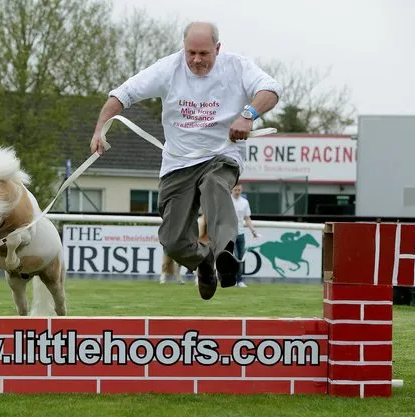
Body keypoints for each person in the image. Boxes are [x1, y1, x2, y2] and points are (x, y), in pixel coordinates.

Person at [90, 21, 281, 300]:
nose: (196, 60)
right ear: (184, 48)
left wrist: (248, 114)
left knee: (216, 184)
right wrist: (99, 130)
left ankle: (225, 251)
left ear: (218, 48)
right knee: (172, 240)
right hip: (178, 162)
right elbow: (122, 94)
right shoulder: (169, 68)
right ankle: (203, 260)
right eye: (191, 52)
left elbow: (270, 89)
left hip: (222, 154)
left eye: (204, 53)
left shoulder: (237, 67)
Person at [231, 183, 258, 288]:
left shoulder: (245, 202)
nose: (237, 192)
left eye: (239, 190)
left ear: (241, 190)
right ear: (232, 190)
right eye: (235, 190)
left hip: (241, 233)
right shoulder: (227, 201)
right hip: (230, 234)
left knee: (241, 257)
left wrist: (253, 230)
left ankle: (240, 280)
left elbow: (247, 219)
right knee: (235, 257)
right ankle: (234, 279)